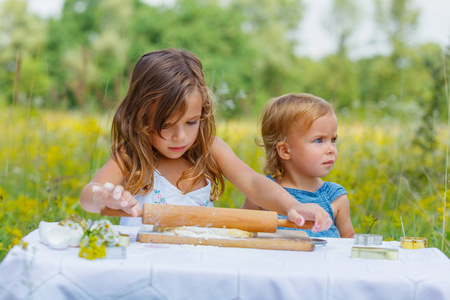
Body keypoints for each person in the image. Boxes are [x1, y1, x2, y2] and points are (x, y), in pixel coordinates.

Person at [79, 48, 332, 232]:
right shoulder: (130, 156)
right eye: (166, 125)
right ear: (142, 117)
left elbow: (255, 184)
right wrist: (104, 197)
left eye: (191, 122)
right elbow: (87, 196)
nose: (181, 136)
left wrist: (293, 206)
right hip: (145, 267)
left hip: (200, 267)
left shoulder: (210, 148)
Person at [241, 93, 355, 238]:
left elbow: (349, 241)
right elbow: (241, 230)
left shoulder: (335, 198)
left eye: (333, 139)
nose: (331, 149)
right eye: (319, 140)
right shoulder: (262, 194)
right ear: (285, 150)